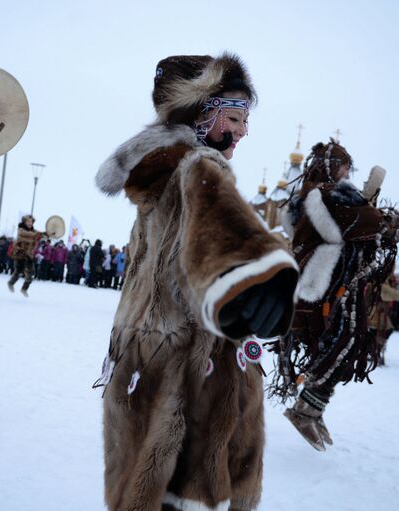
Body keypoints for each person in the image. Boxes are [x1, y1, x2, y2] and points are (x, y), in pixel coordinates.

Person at [94, 53, 298, 511]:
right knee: (188, 491)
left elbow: (191, 253)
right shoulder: (198, 168)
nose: (243, 130)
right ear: (201, 113)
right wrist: (264, 278)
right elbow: (223, 232)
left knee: (145, 487)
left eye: (245, 119)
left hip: (145, 360)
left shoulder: (163, 171)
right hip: (193, 375)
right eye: (235, 116)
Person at [267, 139, 399, 451]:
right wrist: (386, 222)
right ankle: (306, 409)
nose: (347, 172)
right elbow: (369, 225)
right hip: (331, 282)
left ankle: (313, 408)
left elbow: (352, 225)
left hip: (329, 280)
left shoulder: (310, 196)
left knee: (343, 341)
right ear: (332, 166)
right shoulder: (330, 194)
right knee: (345, 339)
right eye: (345, 165)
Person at [8, 215, 43, 296]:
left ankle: (24, 289)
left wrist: (47, 234)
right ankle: (11, 283)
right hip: (20, 253)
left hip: (29, 255)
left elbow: (40, 235)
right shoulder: (21, 230)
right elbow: (29, 235)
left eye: (31, 222)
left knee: (31, 273)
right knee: (19, 271)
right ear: (24, 222)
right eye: (28, 221)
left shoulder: (34, 231)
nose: (30, 223)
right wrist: (38, 234)